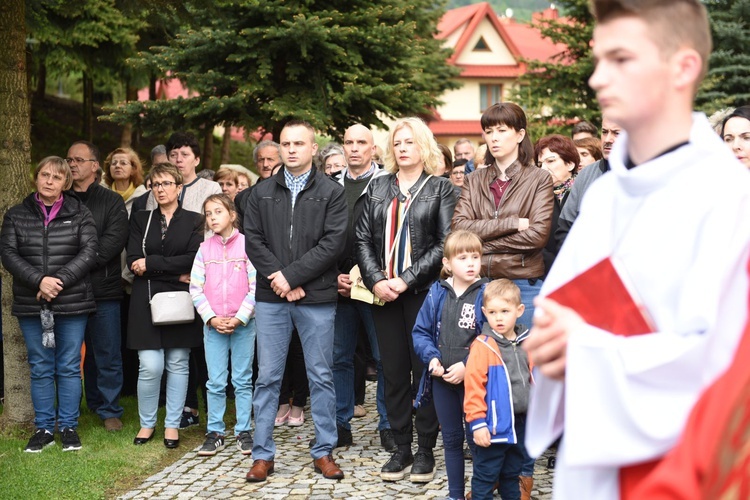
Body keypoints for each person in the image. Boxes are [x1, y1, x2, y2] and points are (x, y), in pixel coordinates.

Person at [523, 1, 750, 499]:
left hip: (684, 474)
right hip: (592, 463)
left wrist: (583, 351)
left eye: (621, 59)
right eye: (598, 59)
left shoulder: (731, 199)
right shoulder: (603, 195)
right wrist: (553, 344)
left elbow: (728, 366)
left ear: (682, 67)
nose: (598, 79)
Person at [244, 120, 347, 483]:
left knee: (320, 375)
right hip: (272, 297)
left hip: (316, 298)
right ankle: (262, 455)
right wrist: (281, 279)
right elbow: (253, 240)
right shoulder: (261, 192)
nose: (290, 149)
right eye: (285, 143)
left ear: (313, 148)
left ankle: (323, 451)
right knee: (268, 376)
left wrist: (293, 277)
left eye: (298, 143)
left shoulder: (332, 192)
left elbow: (333, 243)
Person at [355, 117, 456, 483]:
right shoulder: (378, 187)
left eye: (410, 142)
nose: (402, 148)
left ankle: (426, 448)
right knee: (393, 371)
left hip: (423, 295)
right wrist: (377, 280)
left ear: (423, 146)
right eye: (397, 142)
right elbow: (362, 239)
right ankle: (401, 447)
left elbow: (445, 242)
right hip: (384, 294)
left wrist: (406, 280)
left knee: (423, 372)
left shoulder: (441, 189)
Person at [1, 156, 98, 452]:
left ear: (65, 183)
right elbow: (8, 253)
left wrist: (58, 281)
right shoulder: (16, 214)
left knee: (68, 365)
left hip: (72, 300)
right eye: (44, 175)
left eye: (56, 177)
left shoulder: (80, 213)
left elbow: (89, 250)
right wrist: (39, 280)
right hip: (33, 302)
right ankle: (44, 428)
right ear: (36, 177)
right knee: (41, 366)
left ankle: (68, 426)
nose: (49, 181)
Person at [127, 163, 204, 449]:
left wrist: (153, 264)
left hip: (181, 302)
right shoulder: (140, 218)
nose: (160, 189)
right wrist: (173, 272)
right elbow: (133, 260)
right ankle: (147, 423)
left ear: (179, 187)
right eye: (155, 184)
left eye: (166, 183)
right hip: (145, 299)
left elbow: (194, 260)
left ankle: (172, 425)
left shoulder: (195, 220)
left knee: (178, 363)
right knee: (150, 366)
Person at [412, 230, 489, 500]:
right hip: (442, 382)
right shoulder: (436, 293)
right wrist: (431, 358)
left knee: (478, 441)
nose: (471, 263)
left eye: (476, 257)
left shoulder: (486, 294)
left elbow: (491, 337)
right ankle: (455, 494)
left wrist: (468, 365)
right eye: (463, 257)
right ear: (447, 264)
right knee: (452, 441)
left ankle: (480, 493)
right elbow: (420, 332)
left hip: (476, 384)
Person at [329, 123, 391, 452]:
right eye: (348, 142)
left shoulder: (387, 184)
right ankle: (340, 424)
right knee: (339, 356)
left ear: (373, 148)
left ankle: (387, 425)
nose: (354, 148)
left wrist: (375, 277)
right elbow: (320, 238)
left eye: (361, 142)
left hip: (375, 282)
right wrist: (331, 277)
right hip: (338, 285)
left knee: (383, 358)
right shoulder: (329, 186)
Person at [68, 141, 129, 432]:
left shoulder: (112, 202)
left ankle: (109, 409)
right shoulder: (60, 200)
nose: (72, 164)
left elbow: (111, 246)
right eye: (69, 160)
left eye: (79, 159)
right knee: (70, 355)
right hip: (67, 291)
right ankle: (81, 405)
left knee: (106, 351)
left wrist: (72, 265)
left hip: (103, 289)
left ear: (94, 166)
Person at [190, 194, 257, 457]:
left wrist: (241, 317)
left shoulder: (247, 245)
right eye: (208, 213)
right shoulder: (204, 249)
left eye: (218, 211)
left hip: (243, 324)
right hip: (213, 326)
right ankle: (215, 431)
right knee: (215, 381)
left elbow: (255, 286)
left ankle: (243, 430)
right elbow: (195, 288)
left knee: (242, 379)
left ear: (232, 214)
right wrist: (211, 318)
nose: (212, 217)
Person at [465, 279, 531, 500]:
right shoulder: (482, 346)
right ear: (484, 312)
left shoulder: (528, 342)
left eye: (505, 311)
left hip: (520, 423)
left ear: (519, 310)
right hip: (493, 426)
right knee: (485, 477)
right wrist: (477, 423)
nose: (499, 317)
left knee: (512, 475)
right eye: (492, 312)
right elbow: (473, 387)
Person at [553, 116, 621, 253]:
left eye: (616, 133)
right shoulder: (586, 175)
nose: (608, 139)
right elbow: (564, 231)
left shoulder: (646, 177)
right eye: (604, 132)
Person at [535, 135, 579, 275]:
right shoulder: (536, 197)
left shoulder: (585, 191)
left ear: (570, 164)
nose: (544, 168)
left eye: (551, 161)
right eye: (540, 164)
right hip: (549, 273)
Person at [235, 140, 282, 231]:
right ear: (256, 164)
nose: (265, 164)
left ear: (281, 162)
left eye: (270, 159)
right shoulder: (242, 198)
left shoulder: (292, 193)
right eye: (261, 160)